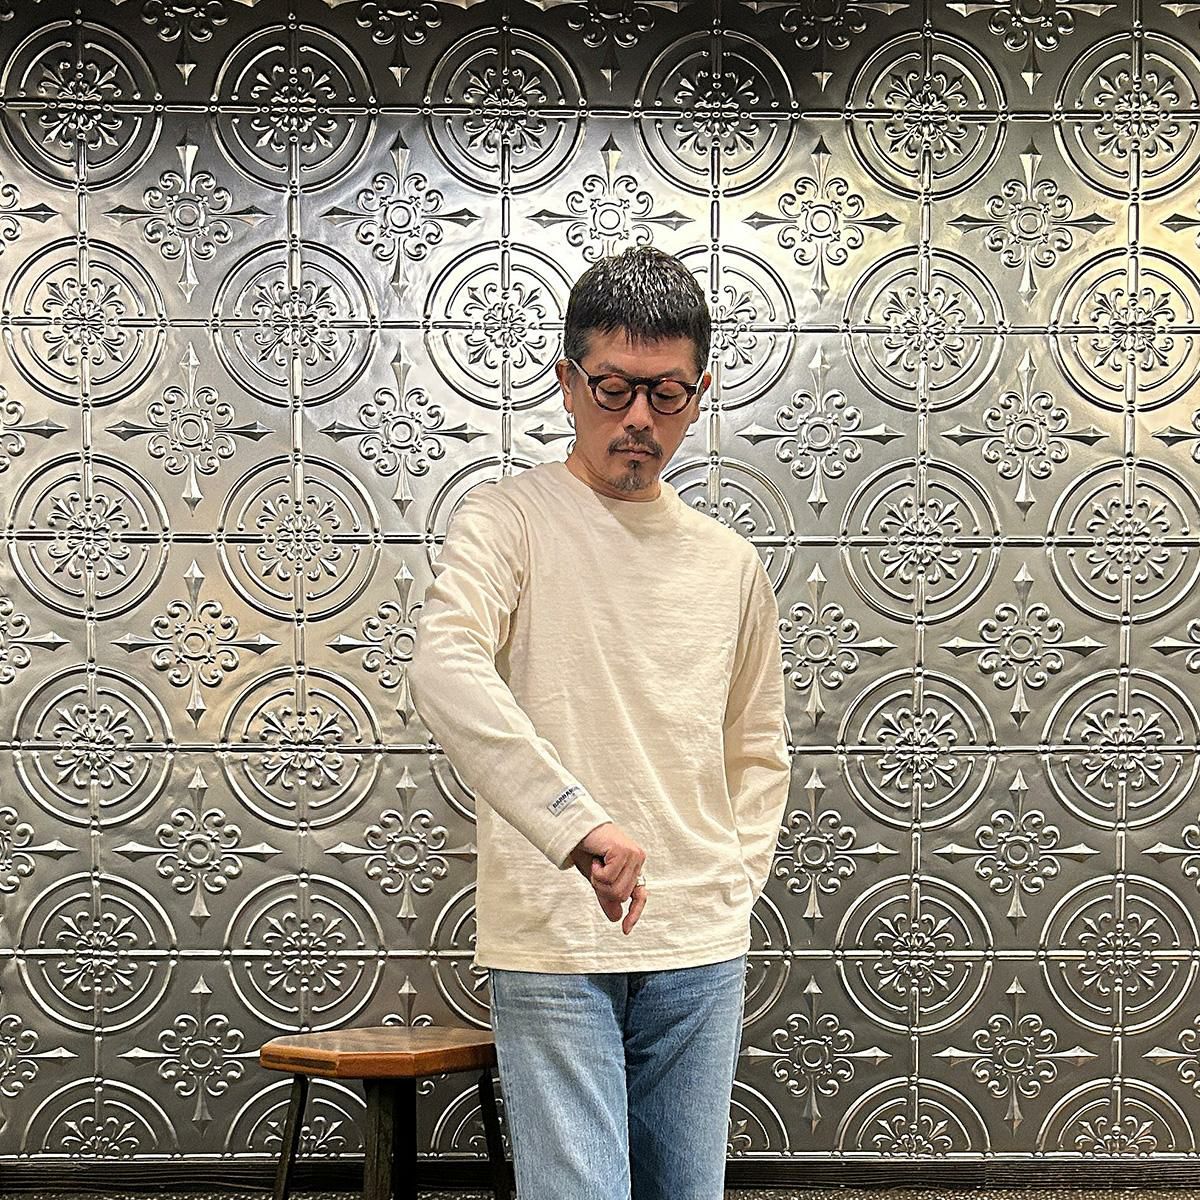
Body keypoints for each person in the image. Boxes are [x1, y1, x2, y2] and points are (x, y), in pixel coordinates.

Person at [407, 245, 791, 1200]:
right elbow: (446, 668)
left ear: (699, 395)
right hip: (555, 937)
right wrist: (577, 824)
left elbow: (757, 747)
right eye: (614, 389)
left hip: (701, 941)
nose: (638, 420)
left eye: (667, 395)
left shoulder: (728, 562)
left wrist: (732, 884)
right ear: (568, 381)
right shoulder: (508, 520)